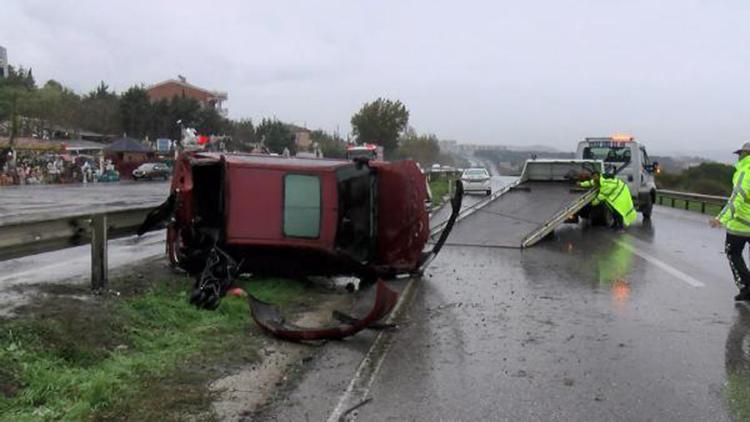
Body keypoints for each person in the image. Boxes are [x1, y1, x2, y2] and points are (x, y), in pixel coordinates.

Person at [711, 142, 750, 301]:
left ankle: (746, 287)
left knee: (733, 253)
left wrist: (721, 218)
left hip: (740, 225)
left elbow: (737, 198)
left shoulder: (744, 171)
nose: (738, 156)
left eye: (740, 153)